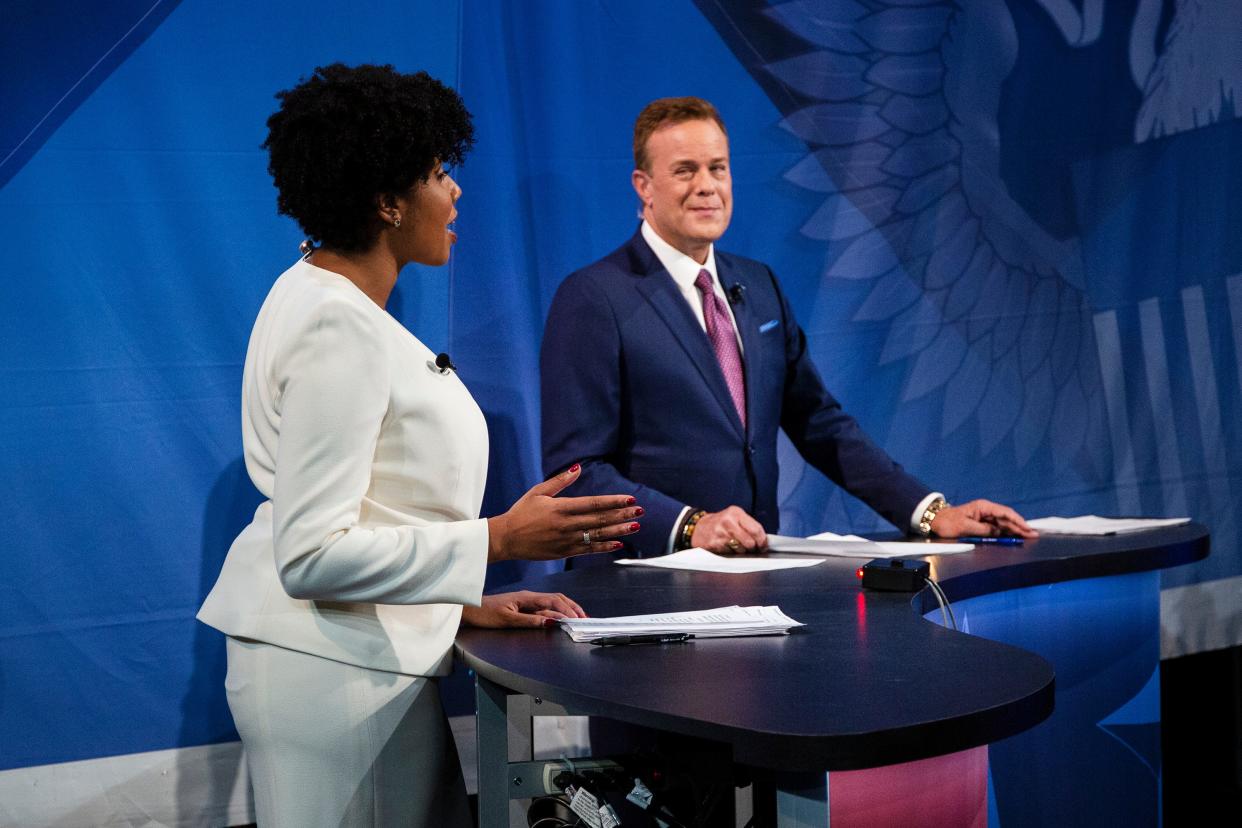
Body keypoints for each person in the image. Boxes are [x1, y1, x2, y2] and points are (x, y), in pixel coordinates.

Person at [197, 64, 642, 827]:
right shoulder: (338, 325)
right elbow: (311, 554)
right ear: (386, 201)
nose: (455, 190)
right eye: (438, 172)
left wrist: (459, 605)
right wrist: (497, 538)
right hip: (334, 680)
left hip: (354, 663)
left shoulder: (311, 291)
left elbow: (371, 513)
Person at [541, 96, 1034, 559]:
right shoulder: (594, 297)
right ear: (643, 186)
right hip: (640, 584)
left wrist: (929, 512)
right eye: (684, 171)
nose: (707, 186)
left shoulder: (758, 286)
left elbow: (818, 423)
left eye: (718, 168)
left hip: (753, 575)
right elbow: (576, 473)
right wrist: (689, 525)